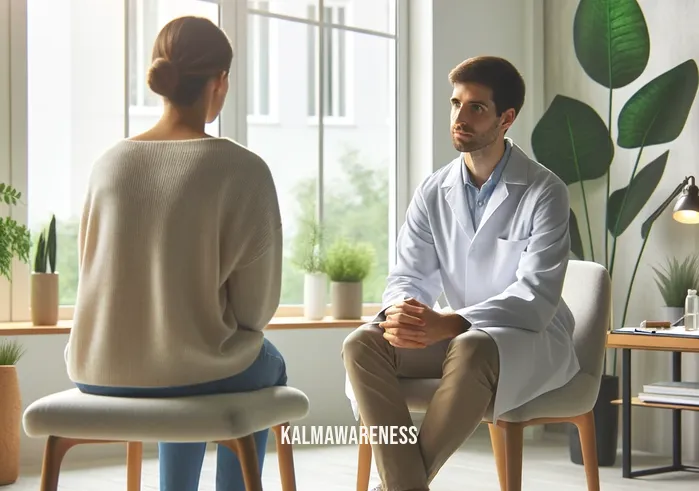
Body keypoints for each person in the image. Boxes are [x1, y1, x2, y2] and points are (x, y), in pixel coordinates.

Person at [64, 16, 285, 491]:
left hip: (97, 370)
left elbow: (91, 275)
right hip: (193, 372)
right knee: (253, 361)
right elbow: (254, 312)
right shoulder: (242, 169)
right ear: (220, 82)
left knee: (187, 355)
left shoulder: (109, 164)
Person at [342, 56, 580, 491]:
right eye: (455, 104)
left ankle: (398, 485)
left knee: (471, 346)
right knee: (362, 343)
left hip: (529, 337)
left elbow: (535, 297)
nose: (459, 118)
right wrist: (406, 314)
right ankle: (405, 485)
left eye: (476, 108)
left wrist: (448, 321)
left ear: (506, 118)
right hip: (458, 332)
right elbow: (408, 274)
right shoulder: (433, 190)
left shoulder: (546, 192)